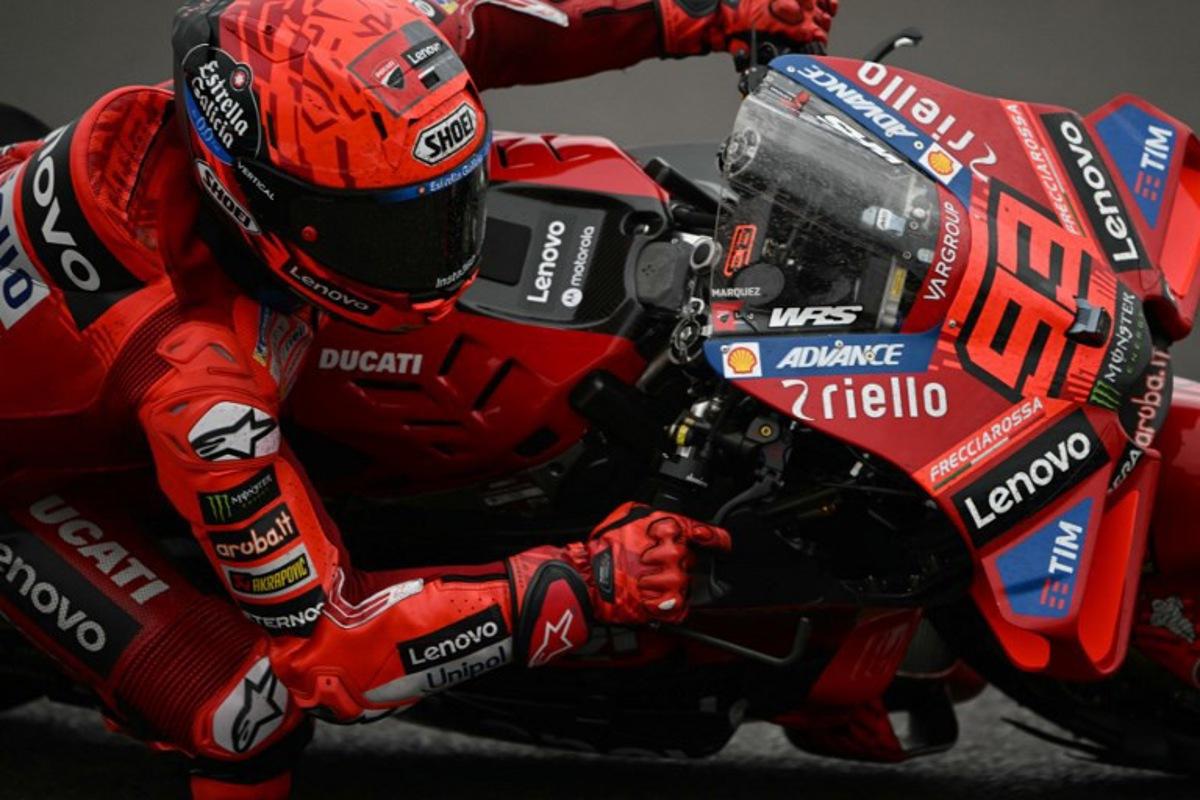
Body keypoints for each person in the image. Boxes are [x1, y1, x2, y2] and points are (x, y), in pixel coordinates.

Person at [0, 0, 836, 796]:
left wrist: (707, 14)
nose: (441, 251)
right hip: (26, 486)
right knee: (246, 707)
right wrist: (586, 581)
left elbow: (489, 25)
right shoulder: (199, 386)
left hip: (101, 322)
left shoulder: (315, 69)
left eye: (452, 200)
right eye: (391, 229)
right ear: (250, 197)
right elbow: (333, 651)